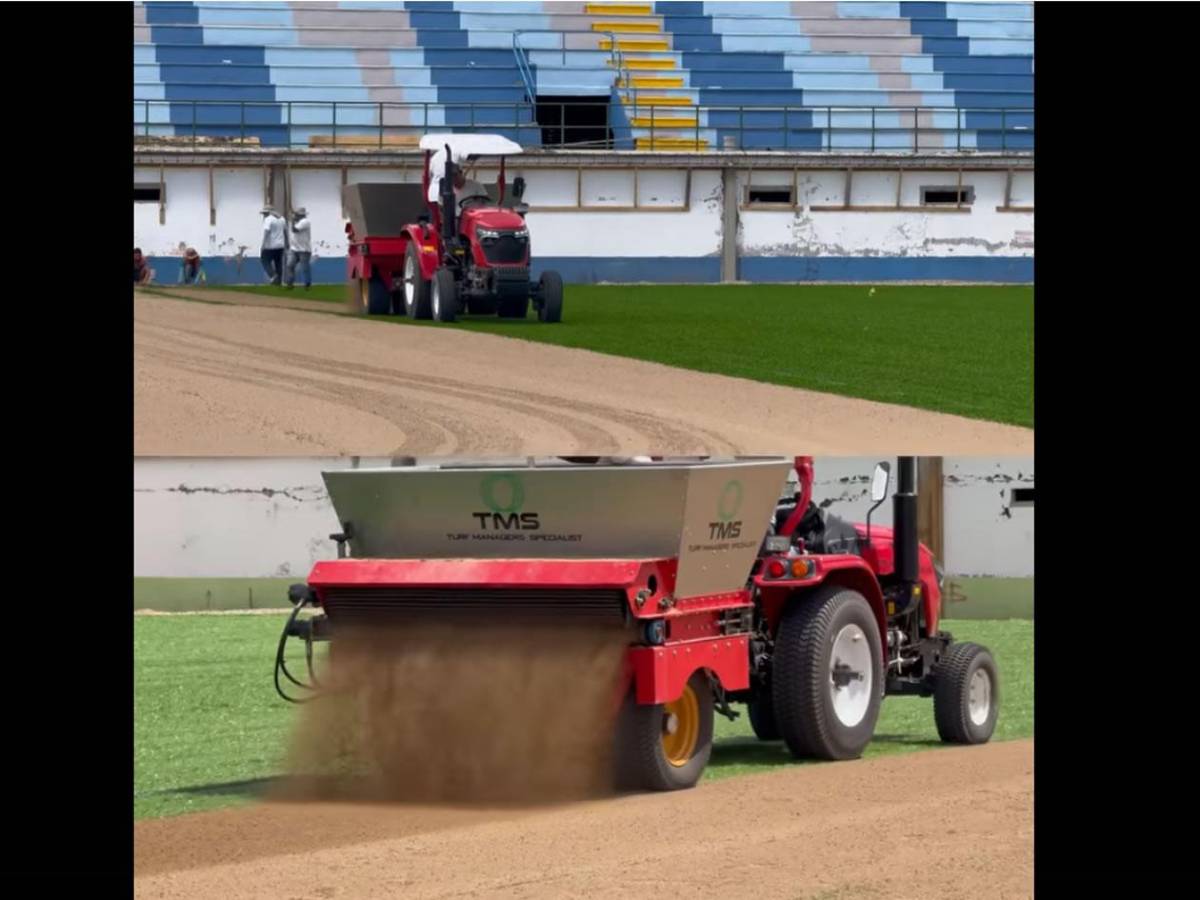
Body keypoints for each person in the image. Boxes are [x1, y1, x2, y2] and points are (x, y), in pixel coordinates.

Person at [285, 207, 312, 290]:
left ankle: (307, 284)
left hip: (304, 249)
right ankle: (290, 283)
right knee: (290, 265)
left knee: (305, 268)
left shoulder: (305, 222)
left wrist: (292, 221)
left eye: (296, 215)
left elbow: (295, 230)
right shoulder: (298, 222)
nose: (295, 216)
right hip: (294, 249)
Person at [260, 206, 287, 285]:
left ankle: (273, 275)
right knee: (278, 263)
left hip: (270, 245)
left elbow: (266, 233)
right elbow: (285, 232)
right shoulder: (282, 219)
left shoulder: (268, 219)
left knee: (264, 260)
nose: (264, 215)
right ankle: (279, 281)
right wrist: (287, 243)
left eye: (264, 213)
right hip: (280, 245)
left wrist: (263, 245)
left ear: (268, 213)